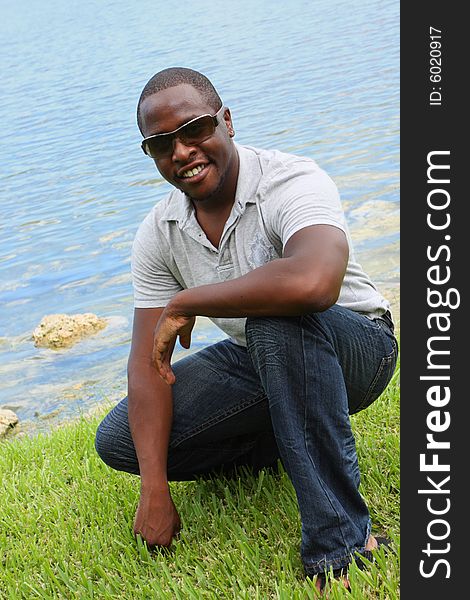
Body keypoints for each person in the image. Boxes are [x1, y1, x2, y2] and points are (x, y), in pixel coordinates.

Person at [95, 67, 398, 591]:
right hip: (262, 356)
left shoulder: (289, 179)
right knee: (121, 441)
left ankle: (344, 543)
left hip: (359, 349)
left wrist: (189, 299)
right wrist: (154, 488)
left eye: (195, 130)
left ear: (227, 122)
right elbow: (150, 365)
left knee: (275, 316)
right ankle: (286, 439)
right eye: (162, 143)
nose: (183, 151)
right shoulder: (159, 231)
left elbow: (313, 284)